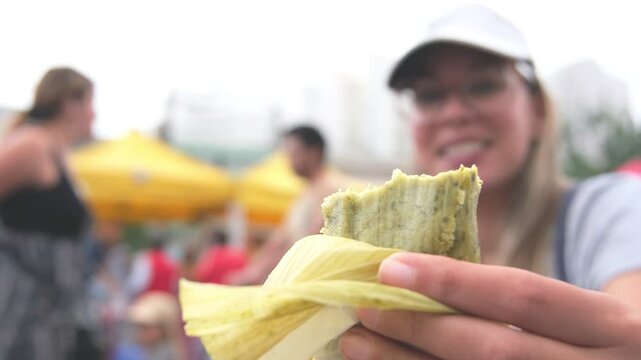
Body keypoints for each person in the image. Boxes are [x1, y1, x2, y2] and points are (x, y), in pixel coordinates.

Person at [339, 5, 641, 359]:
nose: (454, 113)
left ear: (539, 111)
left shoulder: (606, 209)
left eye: (483, 86)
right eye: (429, 95)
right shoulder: (374, 248)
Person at [0, 67, 95, 359]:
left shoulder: (58, 153)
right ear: (69, 104)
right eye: (91, 103)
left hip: (46, 316)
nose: (95, 114)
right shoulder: (30, 146)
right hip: (18, 307)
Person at [228, 124, 356, 285]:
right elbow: (279, 239)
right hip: (301, 278)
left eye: (294, 153)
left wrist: (260, 271)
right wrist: (253, 268)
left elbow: (310, 241)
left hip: (316, 282)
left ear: (314, 152)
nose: (289, 160)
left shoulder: (331, 189)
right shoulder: (307, 192)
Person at [114, 291, 186, 360]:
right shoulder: (139, 352)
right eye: (138, 326)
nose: (138, 331)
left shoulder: (167, 355)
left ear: (161, 330)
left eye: (144, 327)